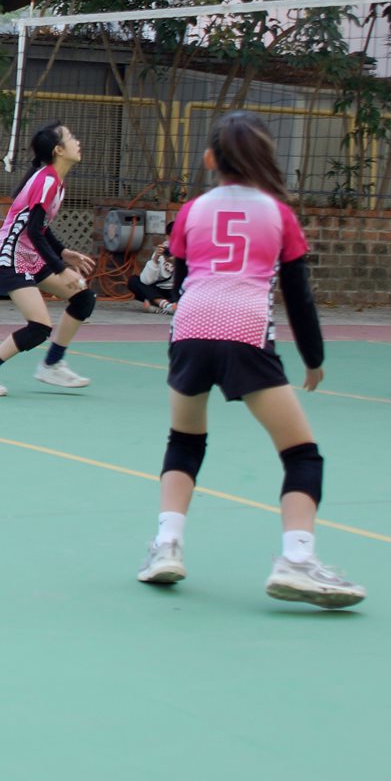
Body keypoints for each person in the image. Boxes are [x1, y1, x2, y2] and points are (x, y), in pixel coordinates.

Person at [134, 112, 364, 609]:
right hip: (245, 332)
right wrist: (314, 357)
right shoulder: (279, 214)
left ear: (210, 159)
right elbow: (299, 296)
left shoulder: (191, 211)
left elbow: (180, 283)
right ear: (265, 157)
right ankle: (297, 559)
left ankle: (167, 547)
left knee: (185, 441)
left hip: (189, 329)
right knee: (301, 454)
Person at [0, 121, 100, 395]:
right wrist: (61, 269)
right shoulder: (47, 180)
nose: (78, 142)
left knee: (83, 298)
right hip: (11, 257)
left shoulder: (55, 181)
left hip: (29, 255)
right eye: (71, 137)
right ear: (59, 150)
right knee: (39, 327)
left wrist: (62, 252)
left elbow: (40, 228)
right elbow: (33, 231)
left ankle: (52, 364)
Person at [128, 243, 178, 314]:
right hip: (156, 291)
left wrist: (177, 262)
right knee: (133, 281)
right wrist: (155, 259)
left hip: (174, 291)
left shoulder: (185, 252)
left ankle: (155, 305)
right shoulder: (161, 251)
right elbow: (146, 281)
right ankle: (166, 305)